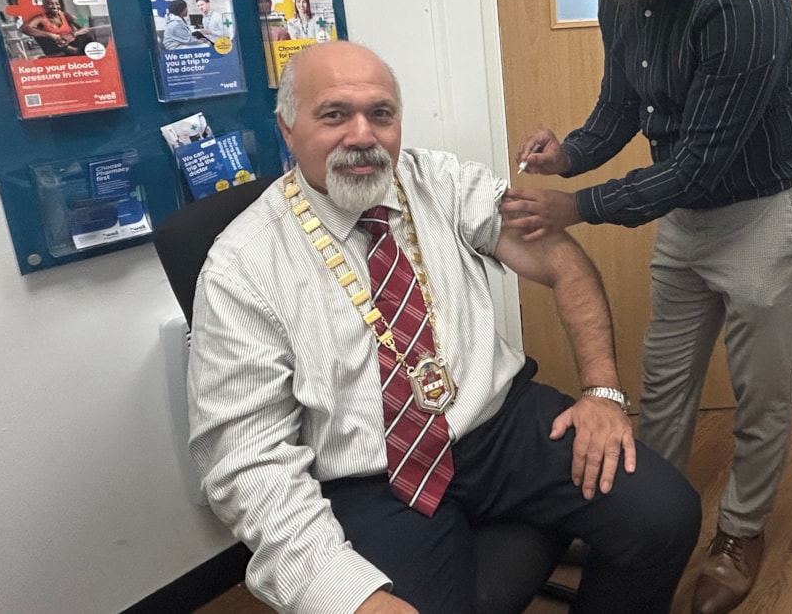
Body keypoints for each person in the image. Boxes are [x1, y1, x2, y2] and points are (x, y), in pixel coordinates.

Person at [187, 40, 701, 614]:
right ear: (287, 128)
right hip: (370, 478)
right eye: (334, 115)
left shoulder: (441, 181)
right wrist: (351, 596)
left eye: (381, 114)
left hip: (497, 426)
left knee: (664, 516)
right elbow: (247, 461)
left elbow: (561, 260)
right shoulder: (241, 267)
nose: (362, 135)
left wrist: (603, 390)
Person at [505, 0, 792, 614]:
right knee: (665, 378)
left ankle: (740, 533)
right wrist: (568, 155)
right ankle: (647, 515)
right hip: (689, 214)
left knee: (758, 393)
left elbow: (695, 166)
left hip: (767, 214)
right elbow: (621, 108)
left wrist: (575, 206)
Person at [18, 0, 95, 57]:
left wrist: (72, 34)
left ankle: (73, 50)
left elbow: (85, 26)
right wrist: (52, 35)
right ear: (44, 6)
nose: (55, 6)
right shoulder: (40, 18)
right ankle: (71, 51)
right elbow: (23, 28)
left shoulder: (66, 14)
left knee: (88, 35)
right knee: (52, 40)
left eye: (57, 4)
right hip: (55, 46)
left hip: (71, 42)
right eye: (50, 4)